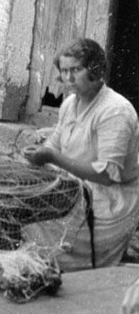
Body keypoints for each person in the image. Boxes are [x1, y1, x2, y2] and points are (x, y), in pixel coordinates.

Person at [21, 38, 139, 270]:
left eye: (76, 70)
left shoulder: (115, 111)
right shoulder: (70, 104)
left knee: (28, 208)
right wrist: (38, 151)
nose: (68, 78)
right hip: (77, 186)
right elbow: (55, 144)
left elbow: (106, 175)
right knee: (10, 178)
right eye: (64, 71)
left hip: (108, 200)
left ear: (95, 69)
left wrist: (52, 158)